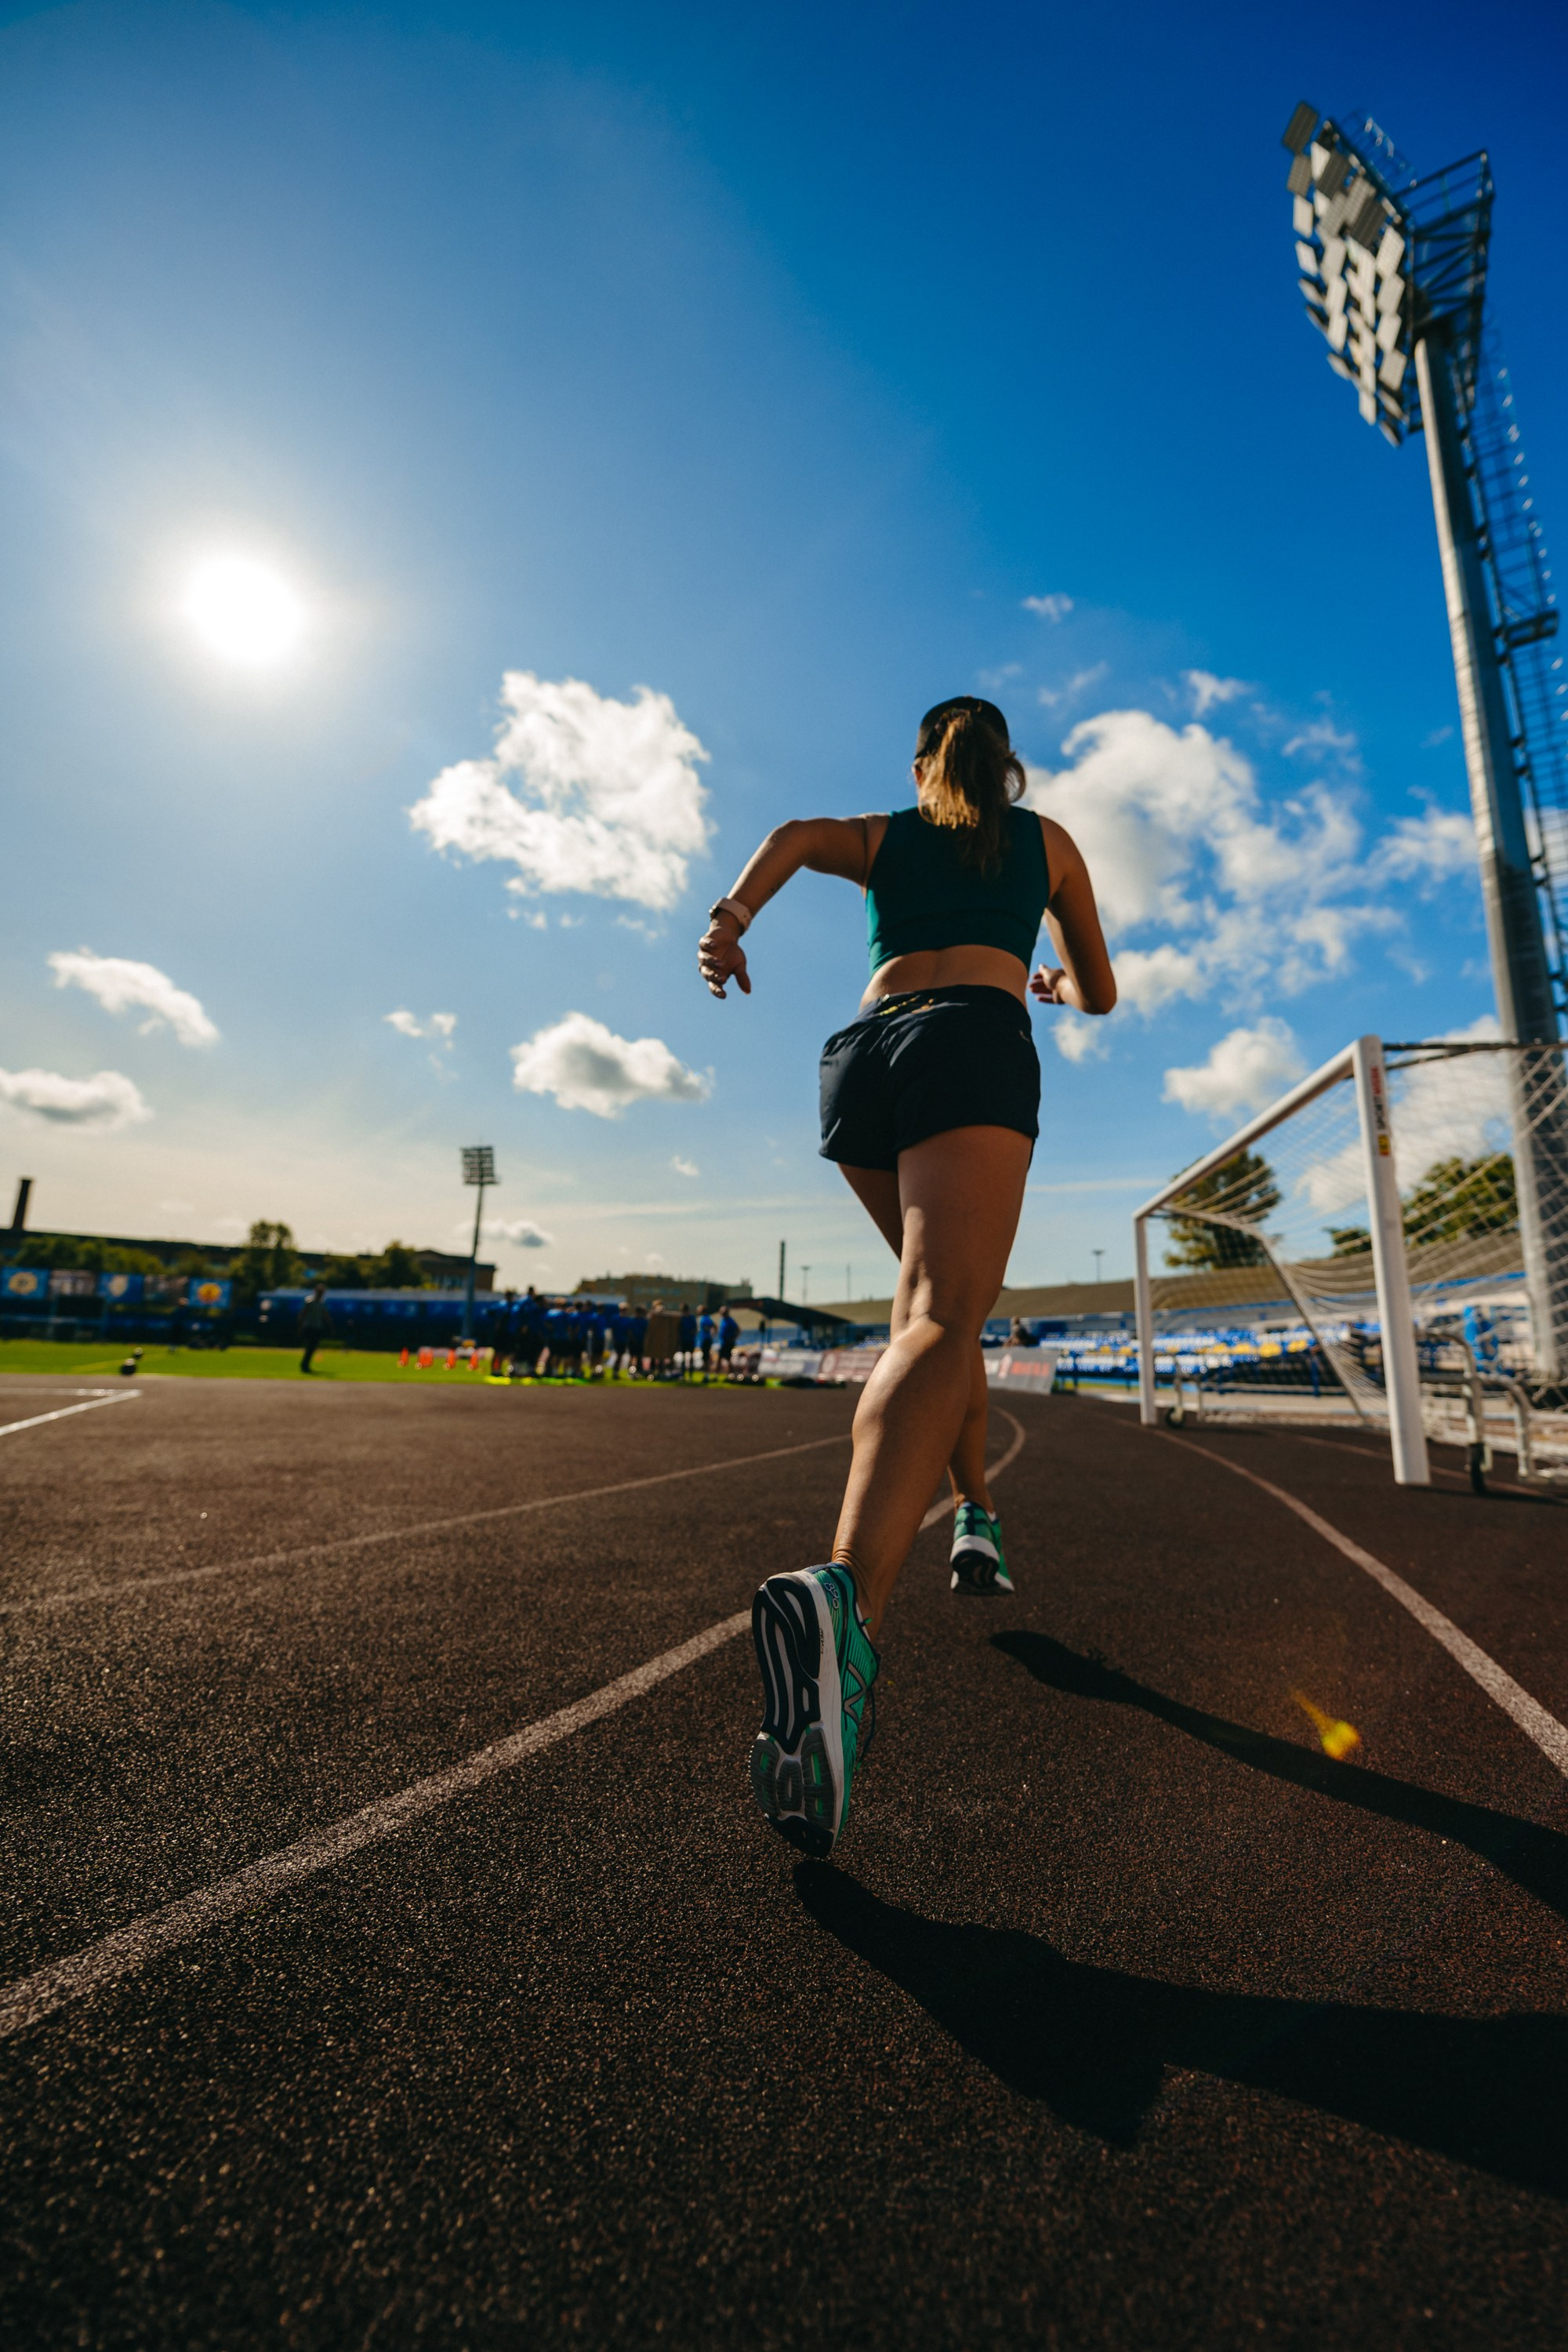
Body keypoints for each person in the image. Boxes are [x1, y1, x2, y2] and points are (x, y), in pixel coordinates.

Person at [697, 695, 1114, 1857]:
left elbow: (789, 832)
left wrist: (731, 923)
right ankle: (847, 1602)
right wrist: (1052, 990)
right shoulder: (1050, 845)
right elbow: (1101, 989)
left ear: (923, 759)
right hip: (973, 1039)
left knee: (936, 1320)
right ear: (1010, 765)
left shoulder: (884, 836)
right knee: (944, 1315)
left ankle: (975, 1512)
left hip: (861, 1057)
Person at [297, 1282, 332, 1375]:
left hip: (317, 1327)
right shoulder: (309, 1301)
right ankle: (305, 1365)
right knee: (310, 1347)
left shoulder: (322, 1302)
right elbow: (303, 1314)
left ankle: (306, 1365)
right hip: (309, 1326)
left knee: (312, 1347)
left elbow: (325, 1314)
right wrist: (300, 1326)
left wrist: (329, 1324)